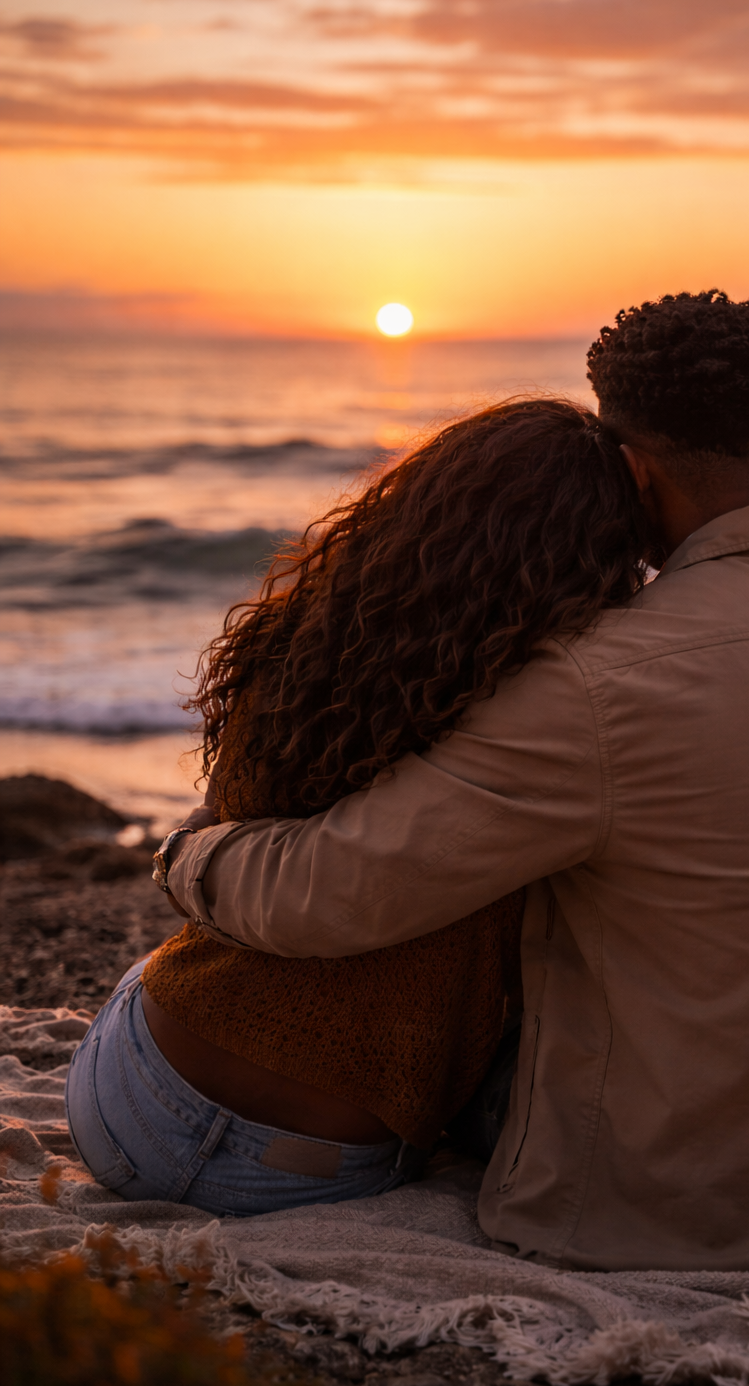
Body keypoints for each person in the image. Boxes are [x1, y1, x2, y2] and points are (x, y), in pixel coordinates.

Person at [159, 290, 749, 1272]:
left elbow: (328, 894)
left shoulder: (598, 679)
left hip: (685, 1209)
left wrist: (191, 850)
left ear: (627, 468)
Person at [64, 400, 651, 1215]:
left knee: (157, 972)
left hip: (135, 1099)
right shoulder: (554, 735)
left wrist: (186, 854)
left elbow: (229, 820)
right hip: (313, 1169)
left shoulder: (316, 645)